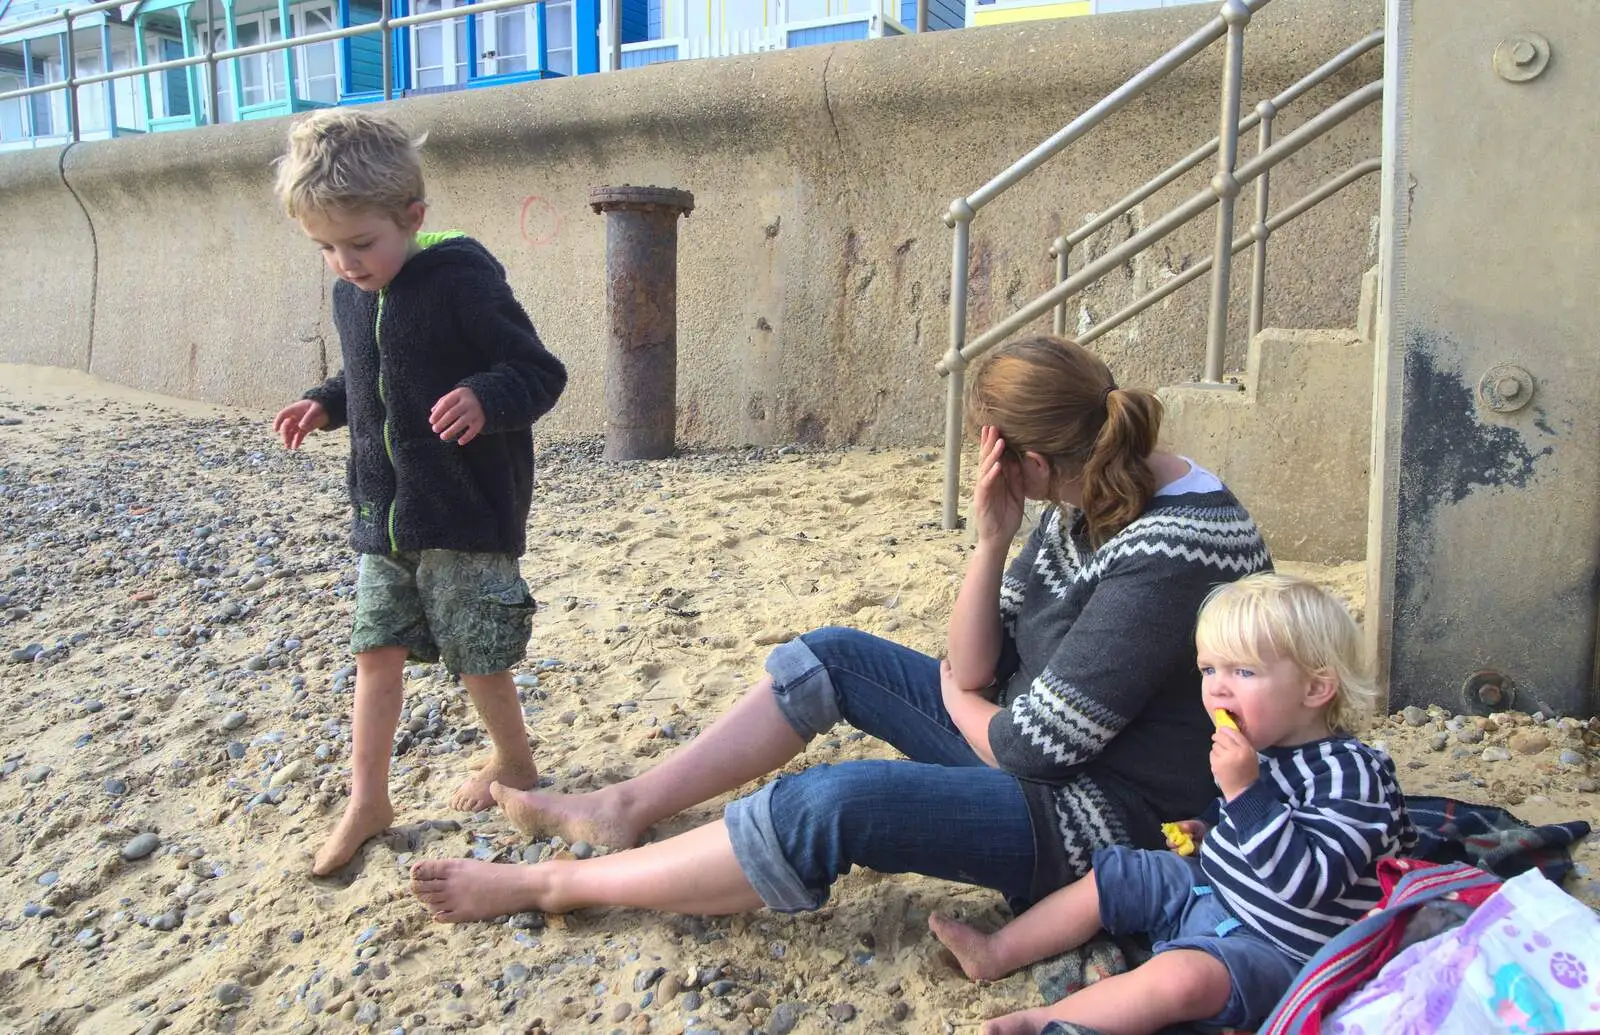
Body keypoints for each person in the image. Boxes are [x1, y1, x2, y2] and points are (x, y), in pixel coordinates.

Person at [409, 334, 1270, 923]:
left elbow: (1028, 746)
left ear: (1034, 459)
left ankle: (561, 885)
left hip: (1119, 818)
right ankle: (624, 806)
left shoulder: (1171, 545)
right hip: (1044, 747)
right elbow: (982, 658)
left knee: (834, 801)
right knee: (830, 655)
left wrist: (960, 695)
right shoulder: (1095, 488)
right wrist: (992, 540)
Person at [271, 108, 568, 876]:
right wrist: (325, 403)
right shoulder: (352, 291)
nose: (345, 262)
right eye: (326, 248)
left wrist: (482, 396)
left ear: (413, 217)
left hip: (466, 513)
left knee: (477, 657)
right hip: (384, 515)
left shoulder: (464, 279)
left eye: (361, 243)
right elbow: (367, 376)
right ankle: (367, 797)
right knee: (376, 651)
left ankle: (515, 760)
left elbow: (539, 372)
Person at [928, 572, 1417, 1035]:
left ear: (1315, 688)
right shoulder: (1263, 747)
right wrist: (1207, 828)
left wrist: (1246, 792)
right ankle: (995, 952)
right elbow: (1240, 821)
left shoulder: (1352, 776)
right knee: (1119, 875)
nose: (1218, 687)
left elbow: (1307, 883)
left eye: (1243, 671)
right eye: (1209, 668)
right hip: (1214, 890)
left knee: (1182, 979)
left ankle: (1046, 1020)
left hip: (1284, 949)